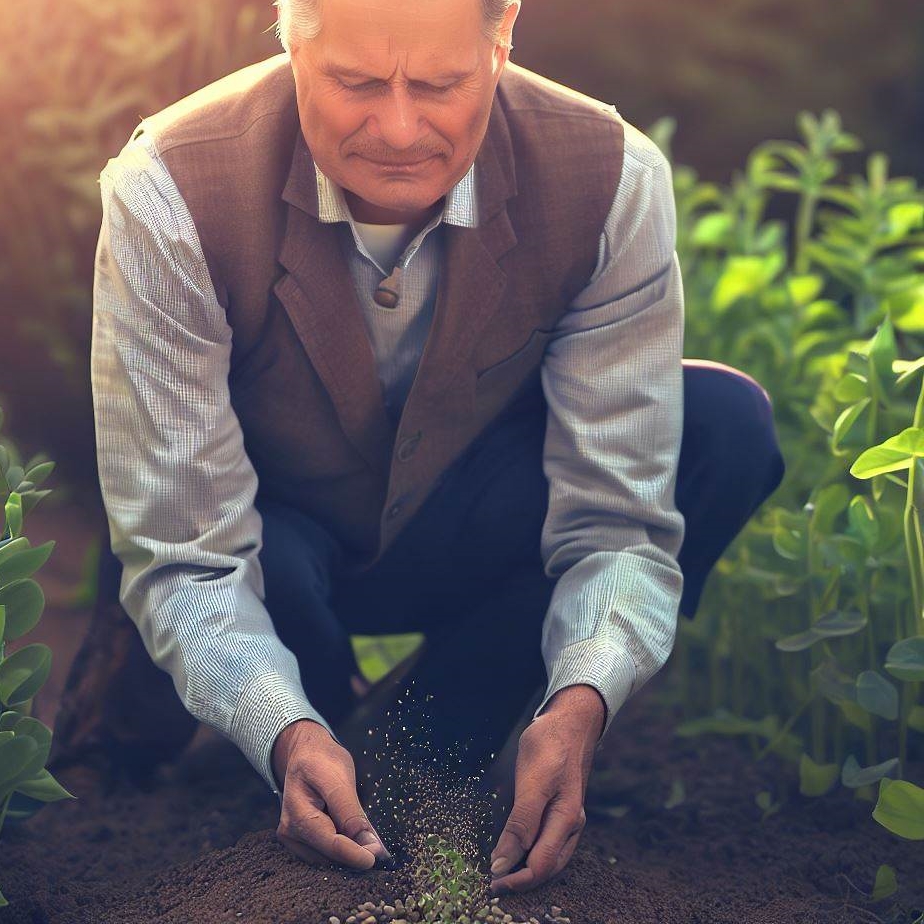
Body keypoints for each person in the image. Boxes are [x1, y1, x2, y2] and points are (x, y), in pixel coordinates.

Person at [68, 0, 786, 899]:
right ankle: (314, 735)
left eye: (442, 85)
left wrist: (582, 700)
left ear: (503, 37)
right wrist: (281, 723)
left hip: (473, 522)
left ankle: (418, 744)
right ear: (292, 43)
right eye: (356, 83)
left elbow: (618, 524)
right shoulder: (172, 188)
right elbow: (190, 555)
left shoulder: (608, 175)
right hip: (274, 541)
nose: (400, 129)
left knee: (723, 424)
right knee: (249, 592)